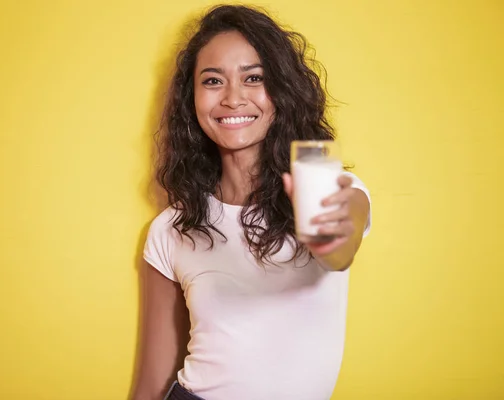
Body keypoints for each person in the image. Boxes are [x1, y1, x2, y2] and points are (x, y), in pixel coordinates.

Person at [131, 4, 372, 400]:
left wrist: (330, 235)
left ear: (281, 90)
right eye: (212, 81)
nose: (233, 98)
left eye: (254, 77)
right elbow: (153, 380)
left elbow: (340, 249)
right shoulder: (170, 228)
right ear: (191, 99)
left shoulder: (328, 189)